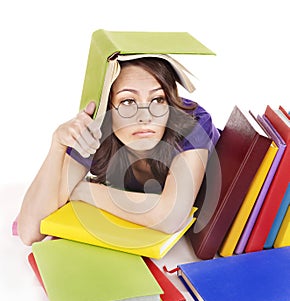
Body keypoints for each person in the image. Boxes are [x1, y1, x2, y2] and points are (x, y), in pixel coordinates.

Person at [17, 57, 220, 245]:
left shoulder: (192, 122)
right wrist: (57, 146)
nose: (145, 117)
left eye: (157, 99)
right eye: (128, 102)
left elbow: (171, 218)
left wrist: (81, 191)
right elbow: (29, 232)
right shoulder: (96, 132)